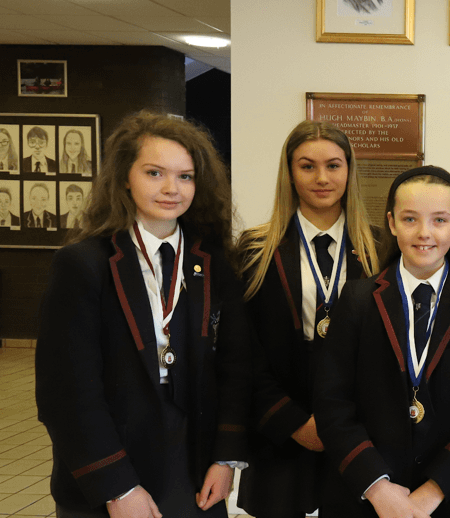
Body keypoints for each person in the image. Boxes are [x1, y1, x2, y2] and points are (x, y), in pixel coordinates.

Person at [35, 111, 250, 518]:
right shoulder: (83, 264)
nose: (172, 188)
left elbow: (235, 370)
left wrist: (226, 458)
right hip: (112, 465)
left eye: (185, 176)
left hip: (195, 465)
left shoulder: (215, 263)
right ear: (124, 178)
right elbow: (65, 391)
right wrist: (117, 487)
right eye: (154, 173)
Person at [315, 166, 450, 518]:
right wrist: (379, 489)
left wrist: (432, 492)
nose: (424, 233)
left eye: (439, 220)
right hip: (366, 499)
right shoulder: (356, 299)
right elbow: (332, 404)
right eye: (410, 219)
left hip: (448, 501)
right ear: (392, 222)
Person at [235, 121, 382, 518]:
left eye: (333, 165)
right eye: (307, 166)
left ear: (349, 170)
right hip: (282, 431)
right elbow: (244, 350)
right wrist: (293, 422)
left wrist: (341, 423)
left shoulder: (380, 247)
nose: (322, 178)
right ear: (289, 172)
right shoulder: (255, 249)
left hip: (357, 430)